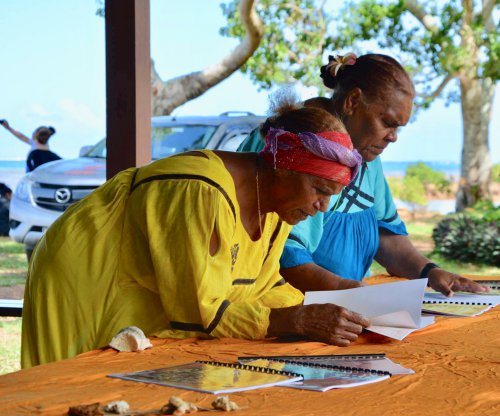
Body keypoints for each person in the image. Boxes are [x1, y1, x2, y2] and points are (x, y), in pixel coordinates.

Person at [21, 97, 367, 368]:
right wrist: (298, 319)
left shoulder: (278, 207)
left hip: (138, 280)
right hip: (85, 271)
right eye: (320, 190)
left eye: (331, 196)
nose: (323, 206)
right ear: (284, 168)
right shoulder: (202, 191)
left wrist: (331, 308)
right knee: (72, 382)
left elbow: (263, 287)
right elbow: (199, 312)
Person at [238, 52, 489, 298]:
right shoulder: (295, 142)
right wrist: (352, 295)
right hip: (285, 306)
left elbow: (384, 232)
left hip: (344, 301)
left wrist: (430, 271)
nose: (393, 137)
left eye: (398, 128)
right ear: (353, 101)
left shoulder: (365, 153)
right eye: (387, 122)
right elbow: (282, 254)